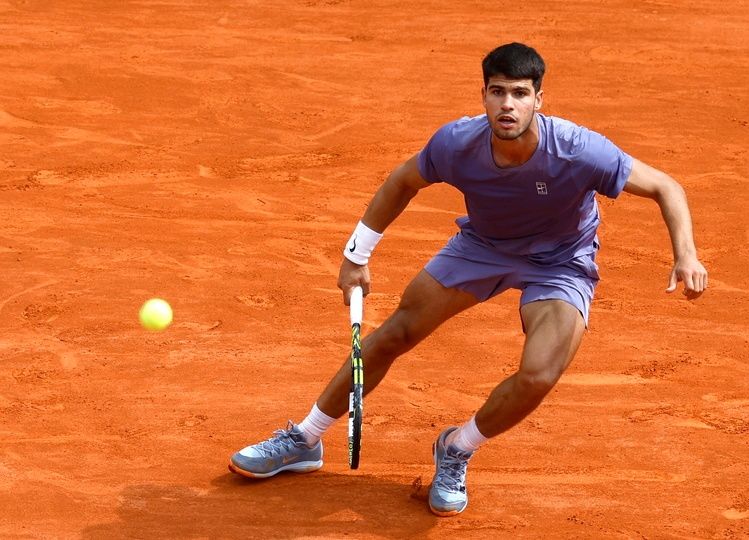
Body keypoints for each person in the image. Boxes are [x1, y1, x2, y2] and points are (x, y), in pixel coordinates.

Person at [229, 42, 708, 516]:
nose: (507, 105)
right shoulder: (456, 143)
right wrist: (357, 254)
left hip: (560, 262)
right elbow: (402, 181)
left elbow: (666, 186)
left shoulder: (579, 150)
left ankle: (457, 446)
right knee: (395, 334)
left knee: (539, 374)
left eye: (520, 93)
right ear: (483, 96)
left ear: (539, 100)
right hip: (482, 248)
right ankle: (306, 439)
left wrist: (685, 255)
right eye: (497, 92)